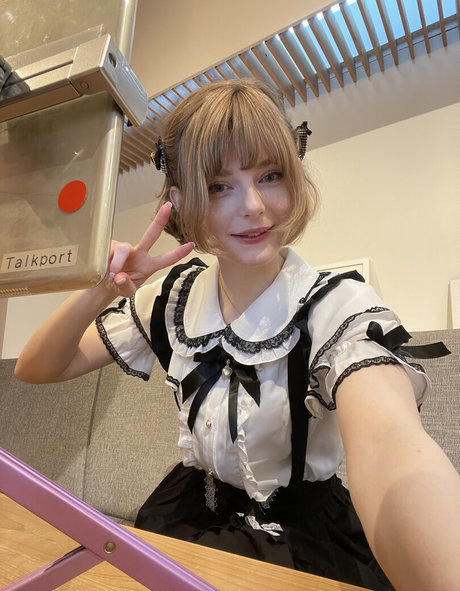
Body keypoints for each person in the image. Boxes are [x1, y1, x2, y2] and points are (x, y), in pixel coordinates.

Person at [15, 79, 460, 591]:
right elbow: (37, 368)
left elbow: (388, 445)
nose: (252, 205)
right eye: (219, 186)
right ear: (180, 200)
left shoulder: (336, 307)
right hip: (188, 515)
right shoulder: (171, 299)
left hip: (302, 541)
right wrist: (100, 289)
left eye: (270, 176)